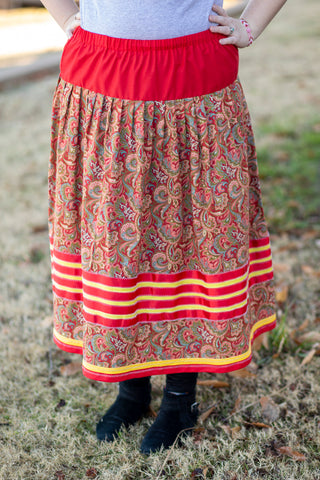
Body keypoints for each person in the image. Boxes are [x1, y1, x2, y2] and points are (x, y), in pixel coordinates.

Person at [41, 0, 287, 454]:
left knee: (190, 241)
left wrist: (250, 25)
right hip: (101, 77)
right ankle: (131, 390)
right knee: (117, 246)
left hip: (195, 81)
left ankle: (179, 399)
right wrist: (65, 17)